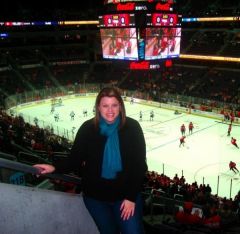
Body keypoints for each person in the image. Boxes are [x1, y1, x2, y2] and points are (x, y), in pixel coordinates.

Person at [33, 87, 148, 234]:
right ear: (98, 107)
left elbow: (139, 166)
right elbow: (74, 160)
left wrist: (131, 198)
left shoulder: (132, 128)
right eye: (105, 105)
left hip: (125, 198)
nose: (110, 110)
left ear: (121, 106)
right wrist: (53, 167)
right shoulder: (88, 129)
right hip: (96, 199)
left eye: (114, 105)